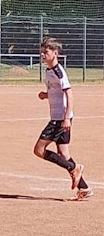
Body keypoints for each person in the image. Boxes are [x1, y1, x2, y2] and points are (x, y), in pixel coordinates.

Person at [33, 37, 92, 200]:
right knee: (63, 154)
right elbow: (57, 92)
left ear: (55, 53)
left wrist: (66, 118)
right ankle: (84, 188)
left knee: (38, 150)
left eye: (46, 52)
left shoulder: (59, 72)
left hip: (60, 119)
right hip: (60, 117)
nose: (43, 55)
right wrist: (47, 95)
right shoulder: (48, 71)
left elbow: (69, 93)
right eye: (42, 52)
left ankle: (74, 168)